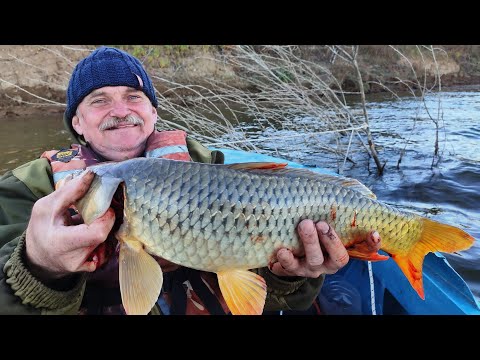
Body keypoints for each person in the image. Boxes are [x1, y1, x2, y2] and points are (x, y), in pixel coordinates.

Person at [0, 46, 381, 315]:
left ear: (152, 111)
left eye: (133, 96)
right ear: (76, 123)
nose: (120, 111)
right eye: (98, 100)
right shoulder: (25, 191)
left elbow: (284, 301)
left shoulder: (209, 168)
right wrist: (38, 265)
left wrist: (290, 279)